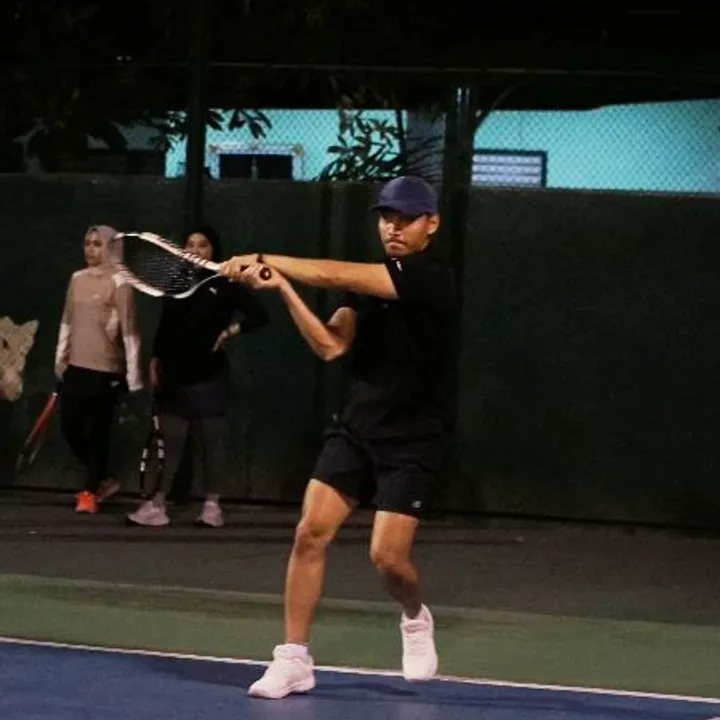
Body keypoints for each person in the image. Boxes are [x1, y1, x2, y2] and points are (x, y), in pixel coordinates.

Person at [221, 176, 456, 699]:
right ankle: (293, 659)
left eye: (406, 219)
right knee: (310, 532)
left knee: (387, 558)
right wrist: (284, 289)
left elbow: (329, 272)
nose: (393, 228)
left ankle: (414, 615)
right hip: (356, 429)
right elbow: (330, 346)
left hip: (412, 439)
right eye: (386, 218)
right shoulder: (363, 291)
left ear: (431, 224)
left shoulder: (431, 277)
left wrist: (266, 259)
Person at [127, 225, 270, 528]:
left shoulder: (225, 284)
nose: (195, 250)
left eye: (202, 245)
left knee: (211, 445)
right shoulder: (175, 282)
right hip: (173, 377)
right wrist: (155, 359)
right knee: (169, 444)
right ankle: (156, 505)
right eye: (190, 244)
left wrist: (230, 331)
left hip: (209, 377)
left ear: (213, 250)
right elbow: (166, 324)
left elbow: (260, 316)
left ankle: (211, 508)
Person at [55, 224, 143, 514]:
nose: (91, 249)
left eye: (97, 244)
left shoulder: (121, 282)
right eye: (87, 243)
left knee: (98, 432)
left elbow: (130, 332)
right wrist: (61, 359)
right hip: (76, 367)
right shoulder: (77, 279)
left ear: (111, 248)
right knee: (70, 427)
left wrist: (133, 377)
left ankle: (89, 491)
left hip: (106, 370)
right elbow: (67, 321)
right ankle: (104, 479)